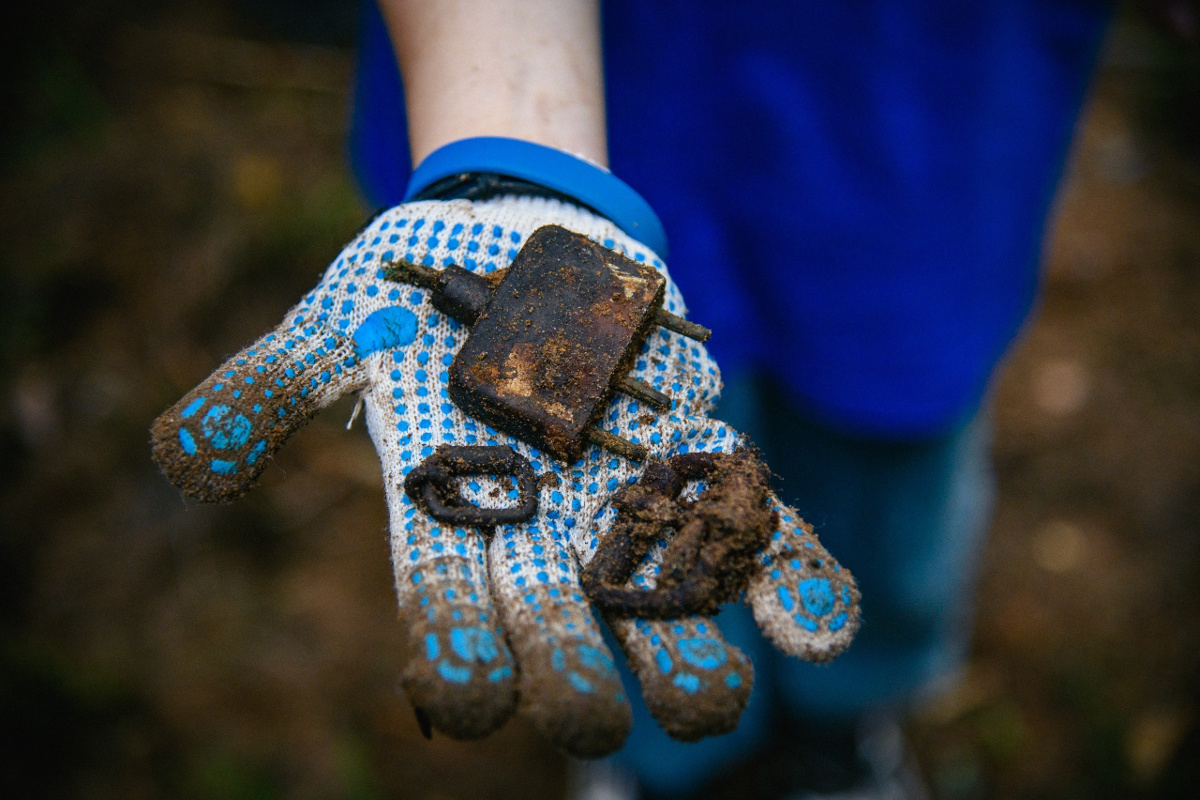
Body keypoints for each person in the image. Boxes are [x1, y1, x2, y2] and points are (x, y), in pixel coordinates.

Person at [347, 1, 1113, 797]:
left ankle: (841, 727)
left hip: (922, 132)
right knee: (617, 516)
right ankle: (665, 765)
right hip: (595, 107)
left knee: (887, 472)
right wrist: (517, 172)